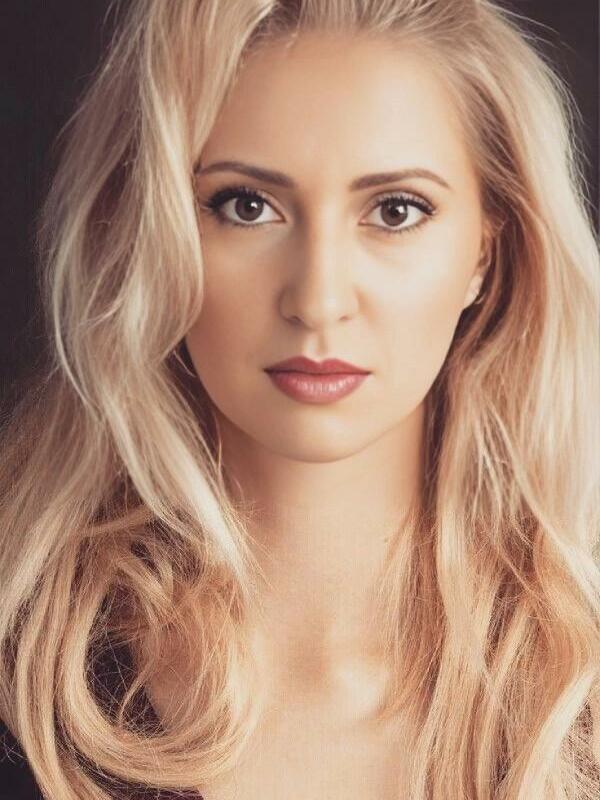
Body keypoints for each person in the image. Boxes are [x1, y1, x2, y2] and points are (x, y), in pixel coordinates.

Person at [1, 0, 599, 798]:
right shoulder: (19, 681)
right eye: (246, 205)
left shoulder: (580, 701)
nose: (318, 300)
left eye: (395, 211)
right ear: (145, 231)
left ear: (484, 257)